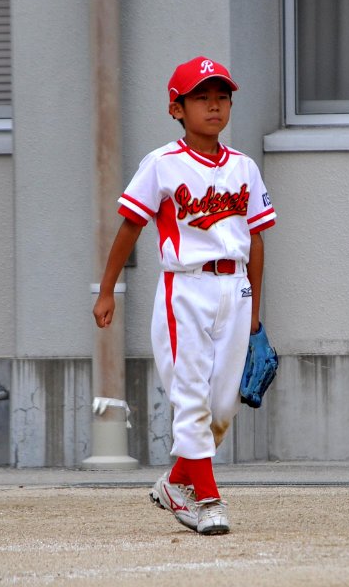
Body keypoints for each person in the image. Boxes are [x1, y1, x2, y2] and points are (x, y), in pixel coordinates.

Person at [92, 56, 276, 535]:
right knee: (192, 398)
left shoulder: (244, 166)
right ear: (177, 108)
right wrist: (107, 289)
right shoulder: (161, 164)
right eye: (202, 98)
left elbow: (256, 239)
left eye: (222, 97)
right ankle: (208, 500)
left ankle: (176, 482)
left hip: (235, 287)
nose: (214, 106)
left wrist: (255, 315)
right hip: (186, 287)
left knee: (223, 407)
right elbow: (130, 225)